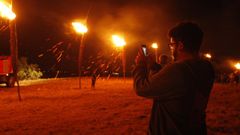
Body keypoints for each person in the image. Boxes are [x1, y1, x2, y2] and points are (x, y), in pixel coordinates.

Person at [133, 22, 215, 135]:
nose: (171, 48)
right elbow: (170, 84)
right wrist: (153, 66)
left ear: (180, 45)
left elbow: (141, 88)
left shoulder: (178, 69)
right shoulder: (207, 67)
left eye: (172, 44)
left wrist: (140, 65)